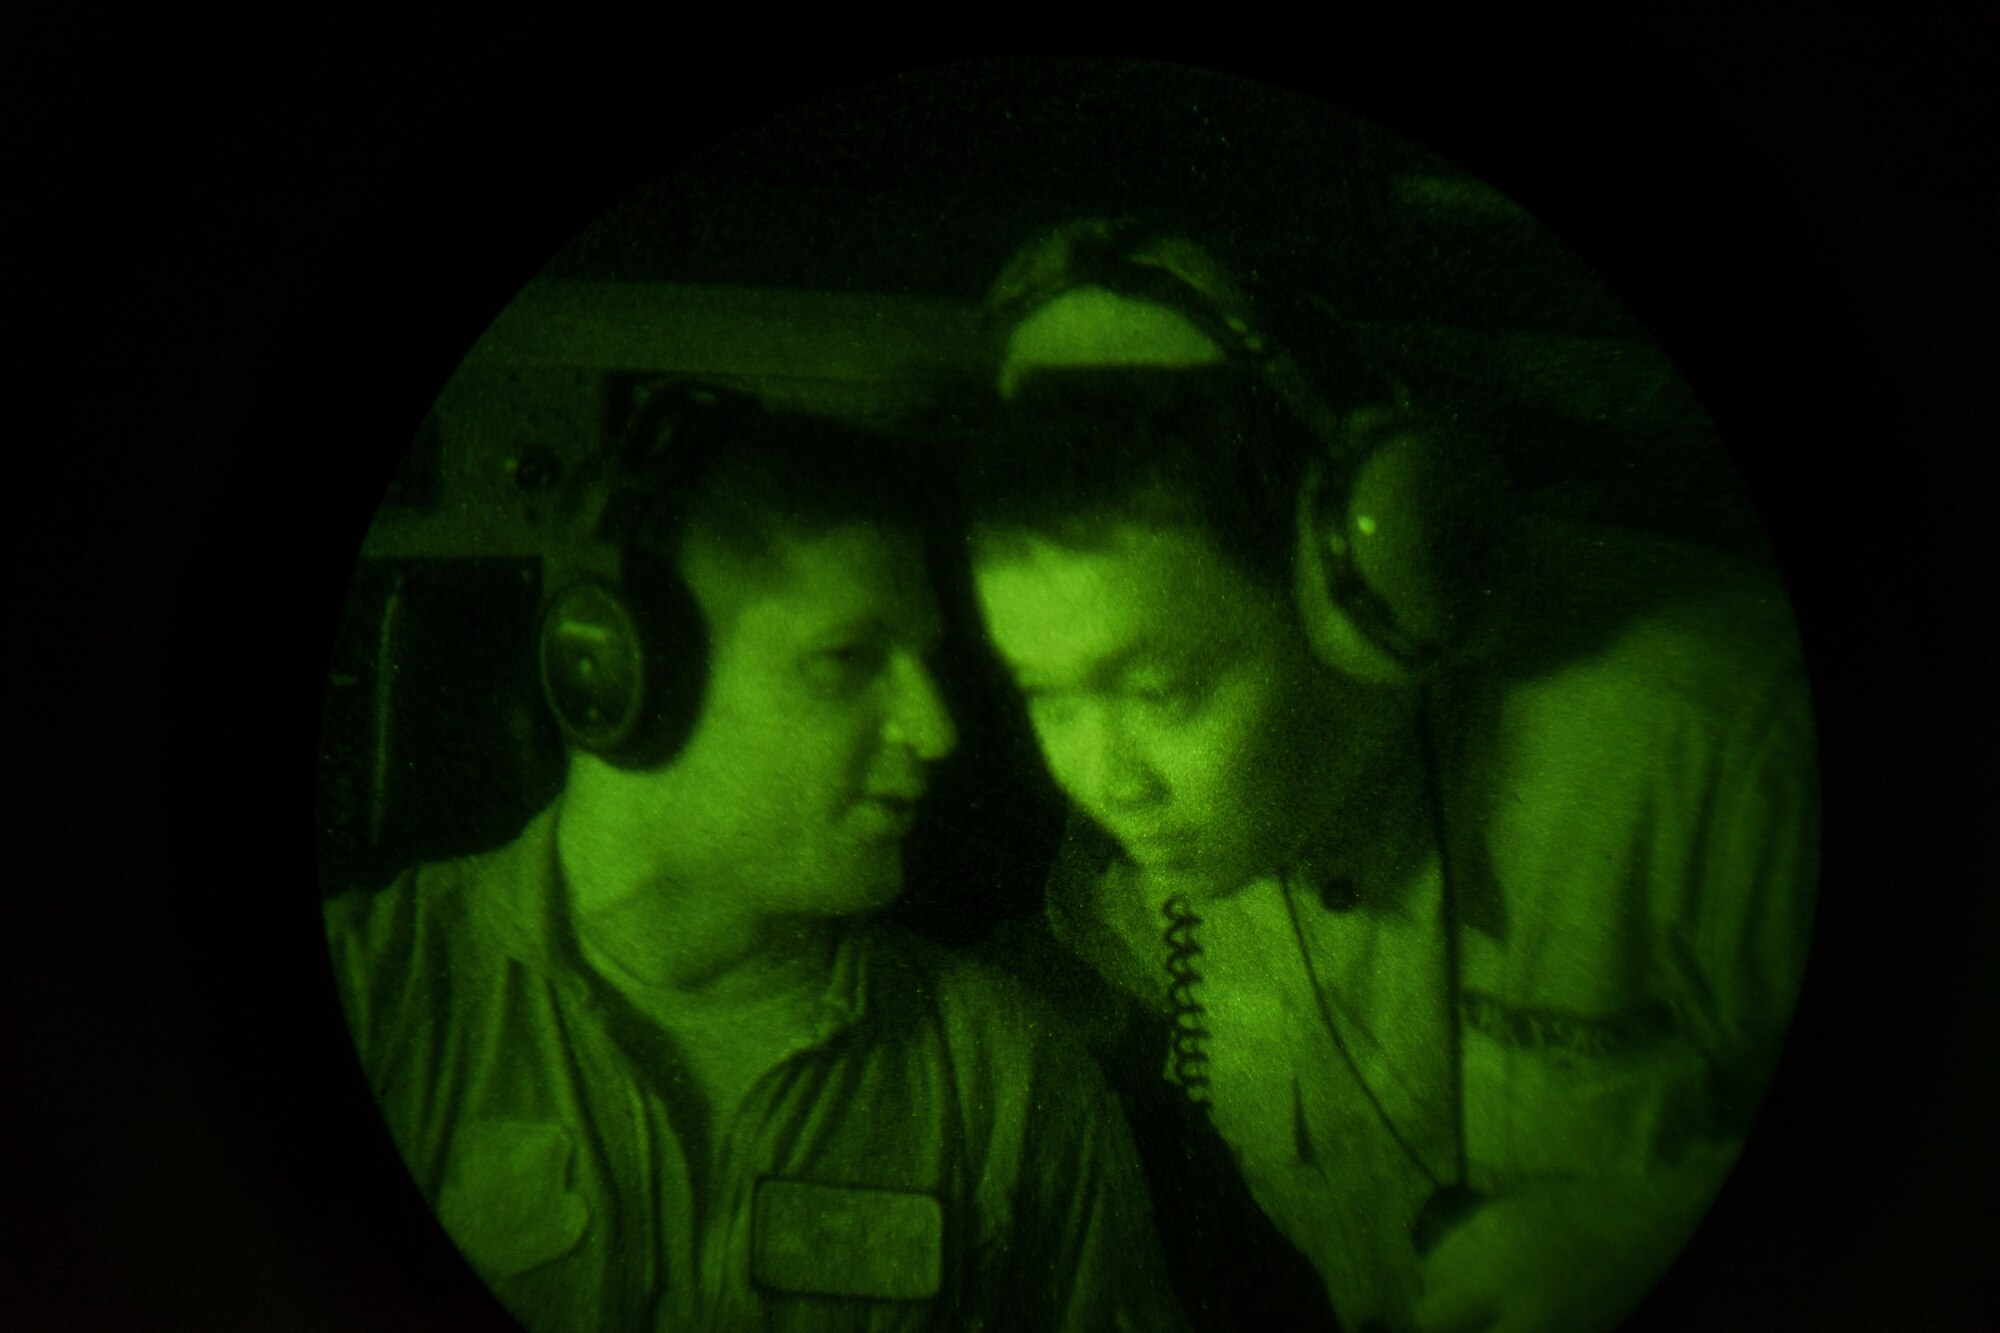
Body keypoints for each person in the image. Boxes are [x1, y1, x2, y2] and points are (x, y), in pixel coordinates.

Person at [958, 221, 1818, 1333]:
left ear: (1360, 602)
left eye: (1160, 692)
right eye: (1047, 696)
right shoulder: (1154, 859)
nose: (1105, 781)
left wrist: (1668, 1224)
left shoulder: (1719, 737)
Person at [323, 380, 1191, 1332]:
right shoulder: (375, 1001)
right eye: (849, 659)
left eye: (927, 663)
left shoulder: (1008, 1082)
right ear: (614, 670)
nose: (935, 727)